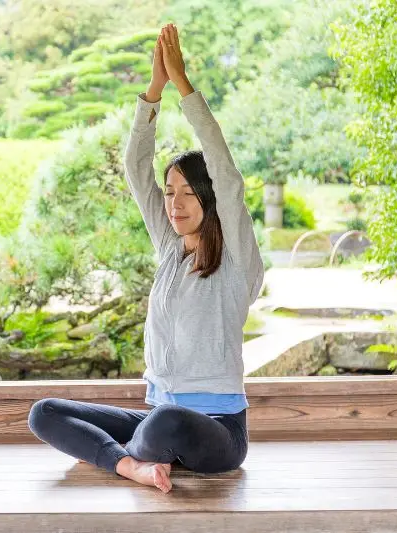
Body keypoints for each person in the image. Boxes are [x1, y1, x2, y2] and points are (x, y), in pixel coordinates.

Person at [27, 23, 265, 494]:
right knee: (46, 413)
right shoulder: (170, 250)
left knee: (167, 423)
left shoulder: (237, 261)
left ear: (212, 198)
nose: (174, 204)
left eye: (188, 193)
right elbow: (137, 170)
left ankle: (124, 454)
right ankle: (131, 465)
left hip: (216, 429)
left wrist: (183, 87)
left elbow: (225, 170)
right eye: (170, 192)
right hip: (156, 415)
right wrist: (152, 93)